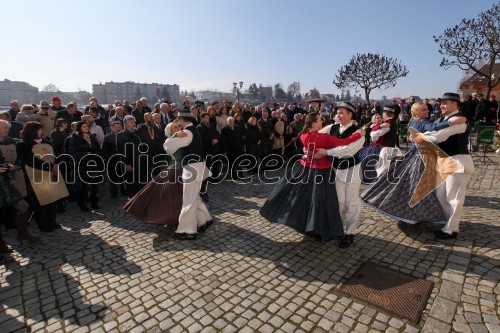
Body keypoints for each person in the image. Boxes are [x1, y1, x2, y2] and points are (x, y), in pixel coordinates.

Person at [260, 112, 364, 241]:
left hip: (306, 169)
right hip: (322, 171)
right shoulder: (324, 137)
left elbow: (313, 142)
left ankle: (308, 226)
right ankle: (320, 228)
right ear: (314, 123)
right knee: (322, 202)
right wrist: (359, 134)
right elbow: (345, 141)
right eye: (320, 120)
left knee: (307, 199)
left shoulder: (303, 135)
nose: (322, 122)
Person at [361, 100, 467, 227]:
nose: (427, 111)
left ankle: (409, 215)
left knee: (410, 187)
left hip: (415, 155)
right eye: (423, 110)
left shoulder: (413, 121)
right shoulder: (422, 122)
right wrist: (450, 122)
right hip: (422, 158)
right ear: (416, 112)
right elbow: (432, 128)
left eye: (427, 109)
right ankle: (420, 216)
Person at [415, 93, 475, 239]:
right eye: (441, 103)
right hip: (445, 162)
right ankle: (448, 222)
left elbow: (438, 137)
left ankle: (451, 230)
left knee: (454, 197)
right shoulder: (441, 119)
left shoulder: (459, 120)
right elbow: (432, 131)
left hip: (459, 161)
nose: (441, 105)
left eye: (445, 103)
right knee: (441, 194)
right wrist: (423, 134)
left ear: (455, 104)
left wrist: (420, 136)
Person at [316, 102, 365, 248]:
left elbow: (347, 151)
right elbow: (317, 135)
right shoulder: (332, 127)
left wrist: (327, 152)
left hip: (351, 171)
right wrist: (309, 145)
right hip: (336, 170)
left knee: (351, 203)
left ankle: (350, 233)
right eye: (338, 112)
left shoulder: (358, 132)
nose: (338, 115)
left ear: (351, 115)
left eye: (342, 112)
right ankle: (337, 229)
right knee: (339, 202)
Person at [163, 111, 212, 240]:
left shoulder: (188, 132)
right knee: (194, 197)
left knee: (188, 200)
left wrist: (174, 135)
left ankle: (188, 231)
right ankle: (205, 220)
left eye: (178, 120)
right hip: (197, 167)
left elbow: (168, 147)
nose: (178, 123)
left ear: (182, 120)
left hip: (192, 169)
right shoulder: (193, 130)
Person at [124, 122, 184, 224]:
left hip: (183, 168)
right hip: (175, 169)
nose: (178, 128)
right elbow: (168, 146)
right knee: (169, 194)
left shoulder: (182, 137)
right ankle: (169, 217)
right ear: (171, 131)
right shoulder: (169, 140)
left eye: (178, 126)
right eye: (175, 127)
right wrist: (176, 135)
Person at [17, 122, 64, 232]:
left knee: (52, 198)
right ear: (32, 131)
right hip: (35, 176)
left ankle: (52, 221)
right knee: (40, 201)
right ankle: (44, 224)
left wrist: (56, 163)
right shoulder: (23, 145)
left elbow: (55, 154)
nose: (41, 132)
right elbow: (30, 160)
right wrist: (50, 166)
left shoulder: (47, 142)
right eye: (39, 130)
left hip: (49, 174)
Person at [69, 121, 102, 212]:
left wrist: (95, 156)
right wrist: (85, 155)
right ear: (80, 128)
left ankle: (94, 202)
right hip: (81, 164)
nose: (86, 128)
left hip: (92, 163)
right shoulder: (74, 137)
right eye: (84, 126)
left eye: (87, 126)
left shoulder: (91, 136)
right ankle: (82, 205)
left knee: (94, 184)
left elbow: (96, 148)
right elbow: (73, 152)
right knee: (81, 186)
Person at [358, 114, 384, 184]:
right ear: (374, 120)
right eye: (377, 118)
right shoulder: (376, 127)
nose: (379, 119)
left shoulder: (382, 126)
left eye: (380, 117)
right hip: (376, 147)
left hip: (381, 147)